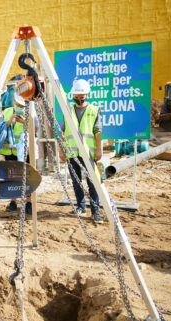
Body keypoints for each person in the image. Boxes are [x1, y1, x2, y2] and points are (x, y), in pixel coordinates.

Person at [59, 79, 103, 224]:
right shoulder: (68, 110)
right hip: (72, 152)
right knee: (76, 181)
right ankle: (81, 206)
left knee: (92, 182)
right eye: (76, 96)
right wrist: (61, 150)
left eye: (81, 95)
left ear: (86, 94)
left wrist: (98, 150)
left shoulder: (94, 110)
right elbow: (63, 131)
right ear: (73, 95)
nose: (79, 98)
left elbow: (98, 131)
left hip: (88, 153)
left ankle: (95, 211)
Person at [0, 92, 38, 214]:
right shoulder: (6, 112)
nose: (20, 107)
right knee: (11, 177)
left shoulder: (31, 112)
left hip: (24, 151)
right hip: (10, 151)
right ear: (14, 103)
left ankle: (28, 202)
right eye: (18, 105)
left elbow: (36, 129)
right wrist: (9, 122)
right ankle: (13, 201)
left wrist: (25, 122)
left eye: (22, 106)